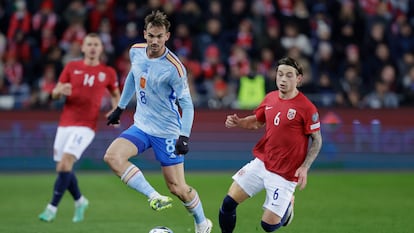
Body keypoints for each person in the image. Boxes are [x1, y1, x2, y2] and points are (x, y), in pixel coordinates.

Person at [104, 10, 212, 233]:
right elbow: (132, 78)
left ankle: (202, 223)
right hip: (142, 126)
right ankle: (153, 196)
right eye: (151, 35)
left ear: (167, 36)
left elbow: (188, 105)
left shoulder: (175, 68)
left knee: (178, 188)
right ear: (144, 34)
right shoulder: (136, 52)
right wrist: (121, 107)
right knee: (113, 157)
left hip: (167, 132)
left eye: (159, 36)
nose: (154, 41)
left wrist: (184, 136)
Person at [218, 57, 323, 233]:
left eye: (289, 75)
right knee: (228, 203)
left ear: (298, 79)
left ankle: (288, 205)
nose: (283, 79)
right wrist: (239, 122)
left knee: (268, 226)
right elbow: (257, 122)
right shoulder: (270, 98)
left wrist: (305, 167)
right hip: (262, 162)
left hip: (286, 173)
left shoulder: (307, 107)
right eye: (280, 74)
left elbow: (317, 139)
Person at [38, 33, 121, 223]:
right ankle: (80, 200)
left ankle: (51, 209)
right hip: (65, 123)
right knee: (62, 167)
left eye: (96, 45)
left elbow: (116, 94)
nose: (92, 47)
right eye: (89, 44)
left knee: (65, 163)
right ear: (82, 48)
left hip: (86, 126)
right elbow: (55, 94)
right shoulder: (71, 67)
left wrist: (116, 110)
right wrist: (59, 91)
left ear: (101, 49)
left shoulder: (107, 72)